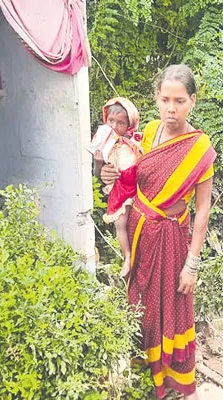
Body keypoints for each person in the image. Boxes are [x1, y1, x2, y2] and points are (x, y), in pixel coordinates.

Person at [100, 64, 216, 399]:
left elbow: (203, 209)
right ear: (157, 98)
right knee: (141, 307)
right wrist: (111, 175)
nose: (171, 108)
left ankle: (175, 384)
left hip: (171, 240)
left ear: (192, 101)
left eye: (179, 100)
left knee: (173, 309)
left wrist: (192, 263)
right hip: (139, 234)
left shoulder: (199, 149)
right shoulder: (147, 133)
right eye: (165, 99)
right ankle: (144, 380)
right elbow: (130, 177)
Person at [91, 97, 142, 276]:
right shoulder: (106, 144)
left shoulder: (136, 140)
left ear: (129, 125)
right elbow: (99, 174)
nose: (114, 126)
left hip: (137, 188)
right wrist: (98, 163)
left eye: (120, 123)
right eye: (111, 121)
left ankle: (135, 257)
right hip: (120, 188)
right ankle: (127, 256)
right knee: (121, 223)